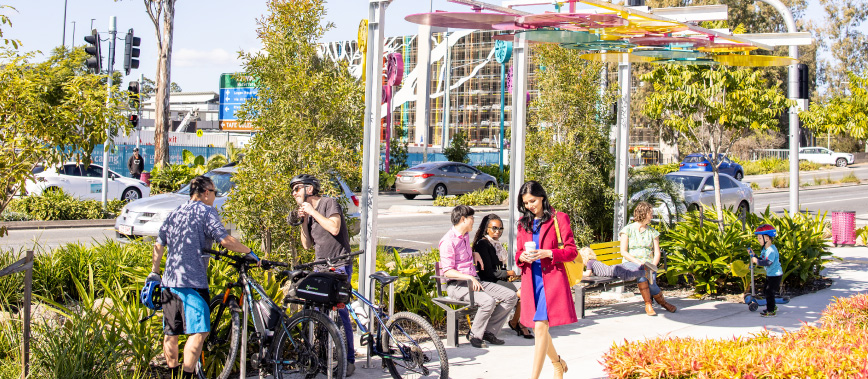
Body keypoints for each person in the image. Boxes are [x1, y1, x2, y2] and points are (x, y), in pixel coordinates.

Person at [147, 176, 254, 379]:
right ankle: (187, 376)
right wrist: (248, 251)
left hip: (169, 283)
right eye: (214, 192)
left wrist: (155, 271)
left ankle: (173, 374)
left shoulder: (176, 212)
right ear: (206, 193)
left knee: (171, 332)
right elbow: (224, 240)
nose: (214, 197)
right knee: (200, 332)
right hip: (192, 283)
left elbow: (159, 244)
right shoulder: (206, 211)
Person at [289, 174, 357, 376]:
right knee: (319, 313)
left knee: (341, 311)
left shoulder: (329, 203)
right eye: (292, 190)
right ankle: (323, 357)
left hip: (339, 265)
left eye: (297, 188)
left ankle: (349, 360)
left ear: (309, 189)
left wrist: (312, 211)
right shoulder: (307, 213)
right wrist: (304, 220)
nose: (294, 193)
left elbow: (334, 228)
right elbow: (307, 244)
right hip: (320, 267)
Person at [515, 181, 577, 379]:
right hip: (530, 280)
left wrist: (549, 253)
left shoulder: (560, 219)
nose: (530, 206)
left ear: (542, 197)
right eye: (526, 203)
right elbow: (517, 252)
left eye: (532, 201)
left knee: (541, 327)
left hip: (551, 280)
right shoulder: (523, 223)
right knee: (539, 328)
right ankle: (557, 363)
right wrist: (521, 257)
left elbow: (571, 251)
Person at [440, 205, 518, 348]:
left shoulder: (463, 236)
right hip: (457, 285)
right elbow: (448, 271)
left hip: (476, 282)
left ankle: (489, 331)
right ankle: (475, 335)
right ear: (463, 219)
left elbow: (462, 257)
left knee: (511, 296)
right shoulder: (448, 241)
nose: (473, 221)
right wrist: (469, 278)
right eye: (471, 218)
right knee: (488, 301)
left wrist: (473, 253)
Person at [471, 214, 533, 339]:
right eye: (494, 228)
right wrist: (507, 273)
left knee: (530, 287)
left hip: (498, 280)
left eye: (500, 229)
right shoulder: (483, 244)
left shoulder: (495, 244)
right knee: (523, 292)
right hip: (488, 282)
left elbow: (498, 268)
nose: (497, 231)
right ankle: (518, 323)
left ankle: (517, 321)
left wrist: (508, 274)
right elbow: (488, 273)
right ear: (486, 228)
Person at [619, 201, 676, 316]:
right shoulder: (627, 230)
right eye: (650, 213)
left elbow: (657, 252)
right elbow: (623, 252)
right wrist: (638, 263)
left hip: (648, 264)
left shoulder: (652, 232)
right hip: (631, 263)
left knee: (651, 283)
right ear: (643, 214)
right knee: (642, 274)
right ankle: (648, 304)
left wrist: (653, 265)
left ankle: (662, 303)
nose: (652, 216)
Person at [751, 224, 782, 317]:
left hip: (776, 275)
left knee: (769, 292)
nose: (758, 240)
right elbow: (762, 258)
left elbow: (768, 262)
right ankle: (772, 306)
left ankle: (771, 310)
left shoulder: (771, 250)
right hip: (771, 274)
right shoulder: (765, 249)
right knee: (766, 291)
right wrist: (754, 256)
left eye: (760, 238)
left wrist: (756, 261)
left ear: (767, 238)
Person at [579, 246, 658, 280]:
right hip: (616, 268)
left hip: (615, 271)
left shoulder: (589, 263)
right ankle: (643, 267)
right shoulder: (594, 261)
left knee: (629, 275)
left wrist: (579, 273)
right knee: (629, 272)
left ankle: (645, 273)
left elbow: (587, 274)